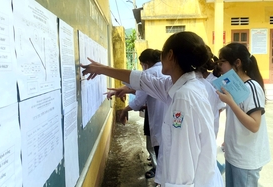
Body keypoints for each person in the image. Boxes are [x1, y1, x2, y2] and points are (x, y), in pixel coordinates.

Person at [81, 31, 223, 187]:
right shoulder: (180, 86)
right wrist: (102, 69)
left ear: (170, 55)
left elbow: (183, 162)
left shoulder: (184, 96)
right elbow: (143, 80)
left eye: (162, 54)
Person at [105, 48, 167, 180]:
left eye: (142, 65)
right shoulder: (166, 72)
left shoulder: (150, 73)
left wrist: (124, 111)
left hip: (158, 119)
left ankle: (160, 178)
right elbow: (141, 90)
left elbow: (138, 100)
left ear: (146, 63)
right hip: (169, 121)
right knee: (166, 157)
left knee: (160, 154)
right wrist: (124, 90)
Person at [216, 43, 271, 187]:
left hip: (246, 158)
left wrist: (230, 102)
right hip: (234, 153)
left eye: (223, 62)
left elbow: (254, 125)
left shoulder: (251, 87)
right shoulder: (235, 86)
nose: (220, 67)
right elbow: (236, 120)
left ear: (237, 63)